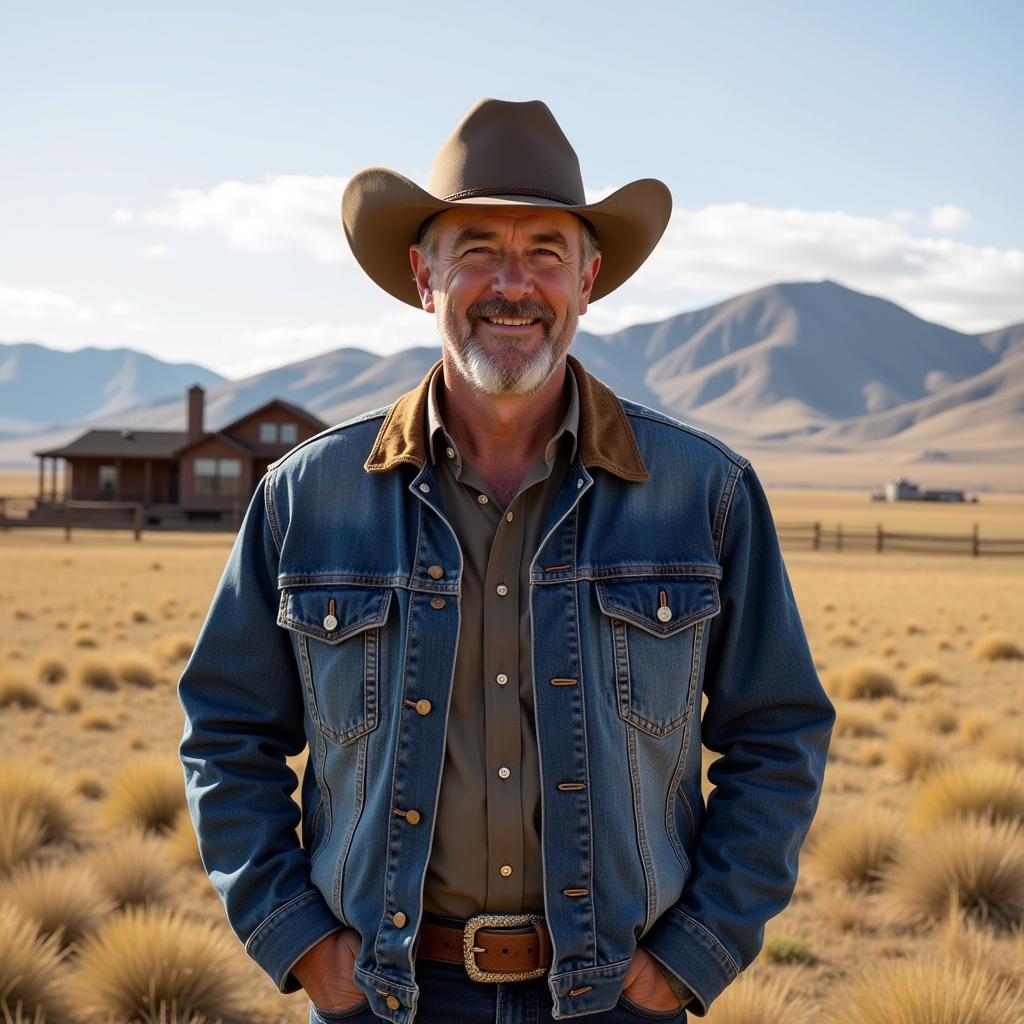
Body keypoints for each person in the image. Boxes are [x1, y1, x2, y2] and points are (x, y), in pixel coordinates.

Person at [178, 98, 835, 1024]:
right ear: (424, 275)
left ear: (590, 279)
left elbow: (779, 734)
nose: (512, 284)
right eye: (477, 248)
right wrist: (296, 936)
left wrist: (695, 951)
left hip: (616, 997)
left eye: (547, 254)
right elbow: (224, 728)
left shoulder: (705, 492)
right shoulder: (308, 495)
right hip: (384, 995)